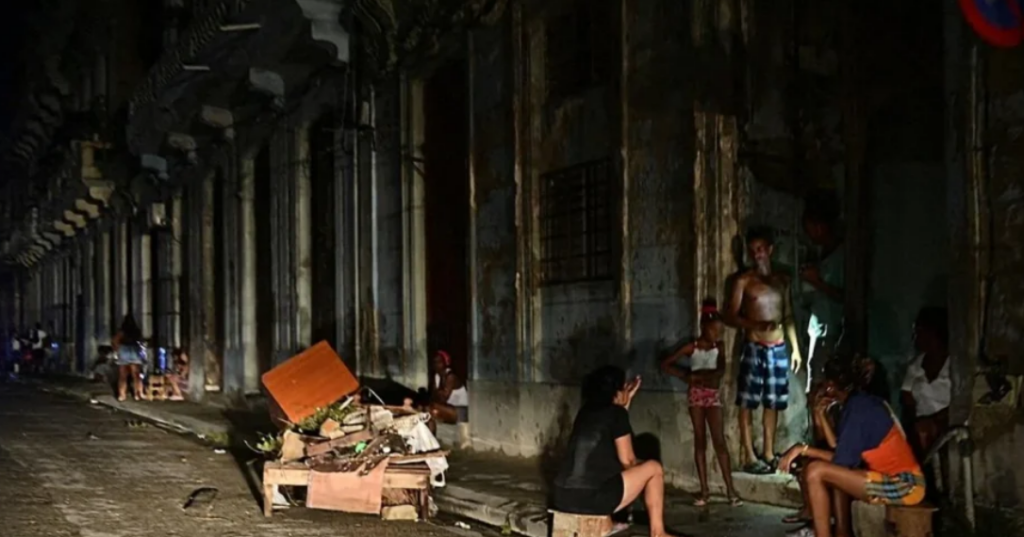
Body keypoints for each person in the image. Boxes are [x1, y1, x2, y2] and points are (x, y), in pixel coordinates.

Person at [777, 361, 925, 537]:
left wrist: (802, 449)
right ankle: (841, 532)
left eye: (823, 383)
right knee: (831, 472)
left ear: (831, 386)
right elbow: (838, 448)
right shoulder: (856, 404)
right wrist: (820, 413)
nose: (819, 388)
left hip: (905, 485)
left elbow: (841, 459)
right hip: (892, 478)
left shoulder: (859, 409)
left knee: (815, 471)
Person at [553, 366, 678, 537]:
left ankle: (609, 522)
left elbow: (609, 436)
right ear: (617, 392)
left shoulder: (585, 412)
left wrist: (624, 406)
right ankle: (658, 532)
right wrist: (646, 473)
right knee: (654, 468)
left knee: (607, 473)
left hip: (561, 496)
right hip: (588, 500)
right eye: (625, 388)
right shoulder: (617, 414)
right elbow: (628, 461)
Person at [724, 227, 803, 474]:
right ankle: (749, 455)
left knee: (773, 402)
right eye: (752, 251)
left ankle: (768, 452)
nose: (756, 255)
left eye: (760, 249)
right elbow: (730, 315)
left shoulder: (782, 281)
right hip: (754, 346)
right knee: (747, 401)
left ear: (770, 250)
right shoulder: (744, 281)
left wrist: (795, 349)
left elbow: (788, 316)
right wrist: (755, 325)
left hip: (778, 348)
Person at [661, 298, 741, 506]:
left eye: (719, 331)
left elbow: (720, 371)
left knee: (719, 441)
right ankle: (704, 490)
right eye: (713, 330)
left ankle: (730, 490)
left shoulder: (719, 346)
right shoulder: (692, 347)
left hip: (712, 395)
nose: (716, 334)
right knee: (700, 440)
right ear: (703, 327)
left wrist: (698, 375)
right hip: (697, 395)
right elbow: (666, 364)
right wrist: (685, 376)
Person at [800, 191, 845, 392]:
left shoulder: (842, 256)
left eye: (809, 229)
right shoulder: (822, 253)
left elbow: (845, 296)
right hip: (818, 327)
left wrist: (816, 282)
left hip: (831, 330)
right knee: (814, 378)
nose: (808, 235)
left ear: (820, 227)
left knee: (822, 384)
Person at [900, 307, 950, 456]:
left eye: (918, 332)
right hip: (922, 436)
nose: (915, 337)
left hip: (950, 429)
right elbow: (907, 405)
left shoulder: (955, 365)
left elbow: (963, 404)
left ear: (933, 333)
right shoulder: (914, 367)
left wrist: (934, 422)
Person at [427, 350, 468, 425]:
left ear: (446, 363)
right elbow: (434, 396)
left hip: (459, 410)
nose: (436, 365)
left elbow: (444, 398)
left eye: (439, 362)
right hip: (448, 408)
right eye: (435, 363)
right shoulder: (437, 377)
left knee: (431, 407)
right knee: (427, 408)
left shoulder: (450, 377)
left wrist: (437, 392)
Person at [113, 314, 146, 402]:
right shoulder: (137, 331)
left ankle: (122, 395)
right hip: (134, 350)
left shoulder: (122, 331)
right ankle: (138, 394)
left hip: (124, 350)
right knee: (136, 375)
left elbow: (115, 340)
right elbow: (141, 341)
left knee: (123, 376)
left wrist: (117, 350)